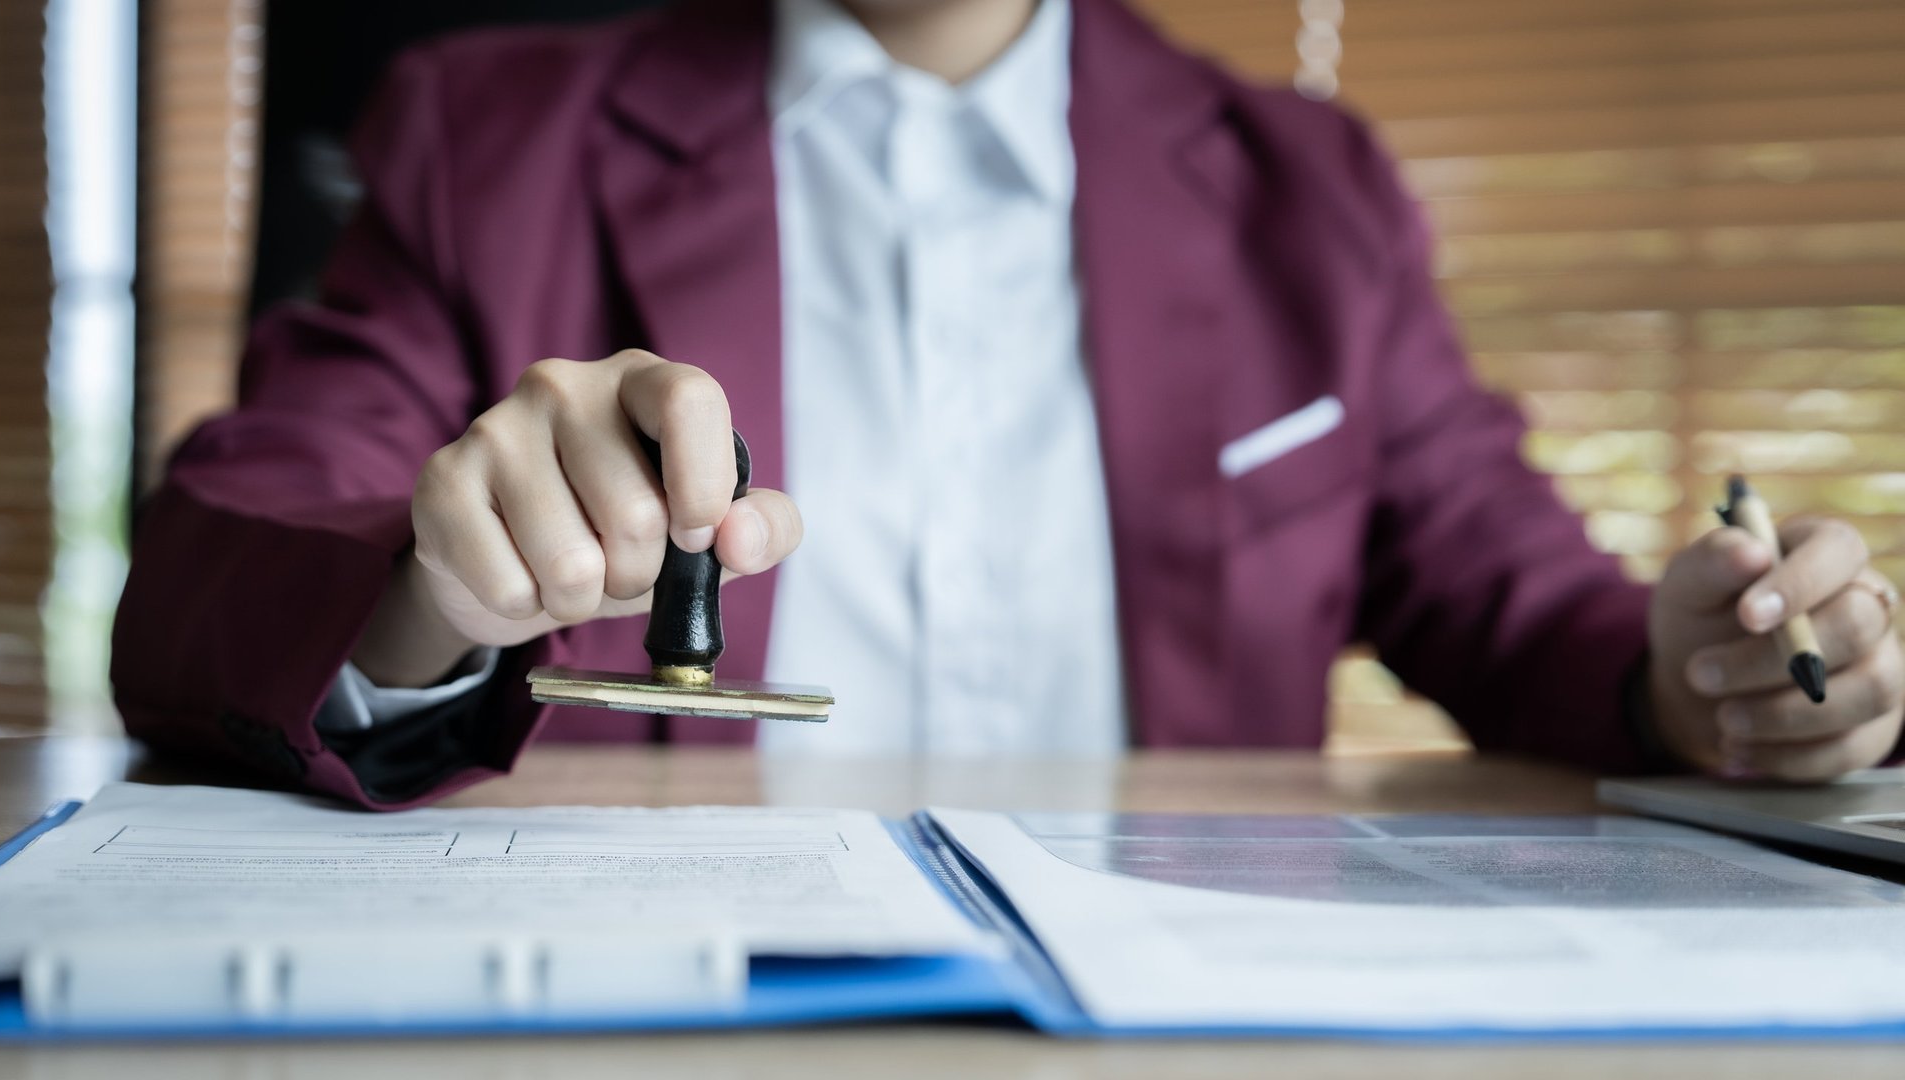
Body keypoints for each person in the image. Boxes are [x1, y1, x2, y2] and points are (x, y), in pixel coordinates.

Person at [111, 0, 1904, 809]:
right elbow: (232, 545)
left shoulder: (1311, 189)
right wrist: (430, 596)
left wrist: (1704, 671)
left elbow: (1516, 601)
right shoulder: (481, 135)